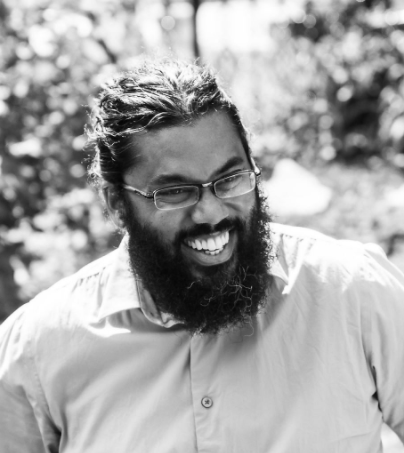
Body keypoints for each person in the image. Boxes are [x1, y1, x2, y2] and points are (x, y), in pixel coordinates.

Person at [1, 58, 404, 453]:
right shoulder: (37, 350)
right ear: (116, 204)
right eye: (174, 192)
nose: (211, 213)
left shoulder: (355, 294)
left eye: (230, 180)